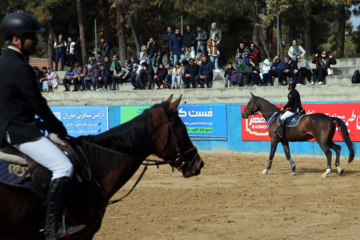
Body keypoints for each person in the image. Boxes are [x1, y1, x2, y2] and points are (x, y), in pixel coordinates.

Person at [0, 12, 85, 239]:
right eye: (32, 37)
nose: (36, 41)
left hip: (9, 127)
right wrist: (58, 127)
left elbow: (12, 102)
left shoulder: (3, 62)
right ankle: (52, 227)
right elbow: (38, 103)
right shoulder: (20, 67)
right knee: (64, 168)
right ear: (16, 39)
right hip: (20, 133)